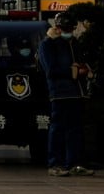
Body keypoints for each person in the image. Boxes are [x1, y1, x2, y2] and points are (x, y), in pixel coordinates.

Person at [38, 12, 95, 177]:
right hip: (60, 93)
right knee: (58, 129)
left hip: (77, 93)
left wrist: (85, 70)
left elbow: (81, 62)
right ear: (57, 28)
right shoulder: (48, 44)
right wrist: (73, 71)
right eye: (65, 28)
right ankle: (55, 163)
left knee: (76, 129)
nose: (69, 31)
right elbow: (50, 70)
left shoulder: (74, 43)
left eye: (71, 28)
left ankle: (75, 163)